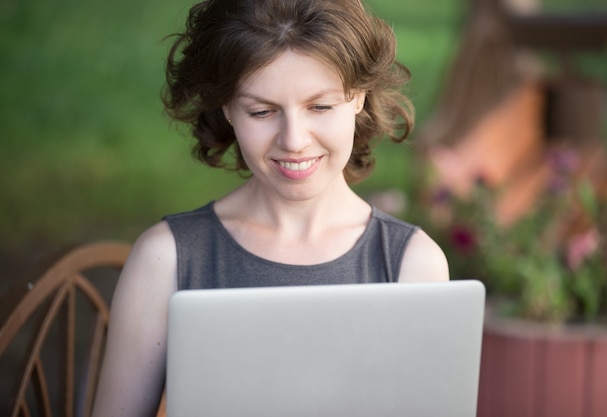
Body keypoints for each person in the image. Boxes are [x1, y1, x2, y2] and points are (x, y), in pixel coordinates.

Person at [91, 0, 449, 416]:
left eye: (320, 106)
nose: (294, 139)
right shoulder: (165, 259)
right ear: (226, 108)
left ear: (359, 97)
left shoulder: (412, 265)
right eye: (261, 111)